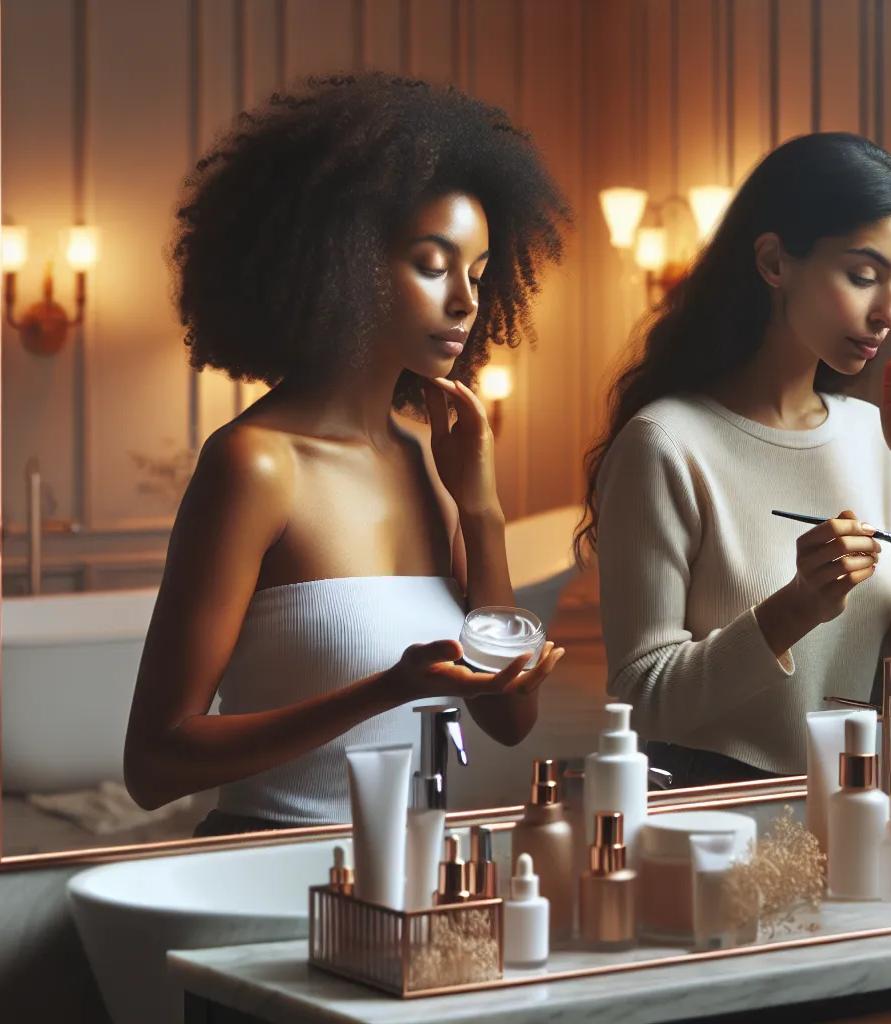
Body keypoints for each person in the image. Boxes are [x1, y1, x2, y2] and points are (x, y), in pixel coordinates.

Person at [123, 73, 569, 836]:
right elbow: (155, 765)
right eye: (433, 264)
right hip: (267, 882)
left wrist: (483, 510)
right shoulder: (257, 465)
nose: (465, 299)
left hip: (409, 889)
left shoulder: (428, 466)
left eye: (480, 273)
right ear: (343, 260)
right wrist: (383, 690)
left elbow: (512, 715)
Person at [579, 133, 891, 786]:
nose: (888, 312)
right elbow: (640, 696)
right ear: (773, 261)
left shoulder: (875, 436)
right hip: (710, 823)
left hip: (849, 813)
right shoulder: (666, 444)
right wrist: (796, 606)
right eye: (863, 275)